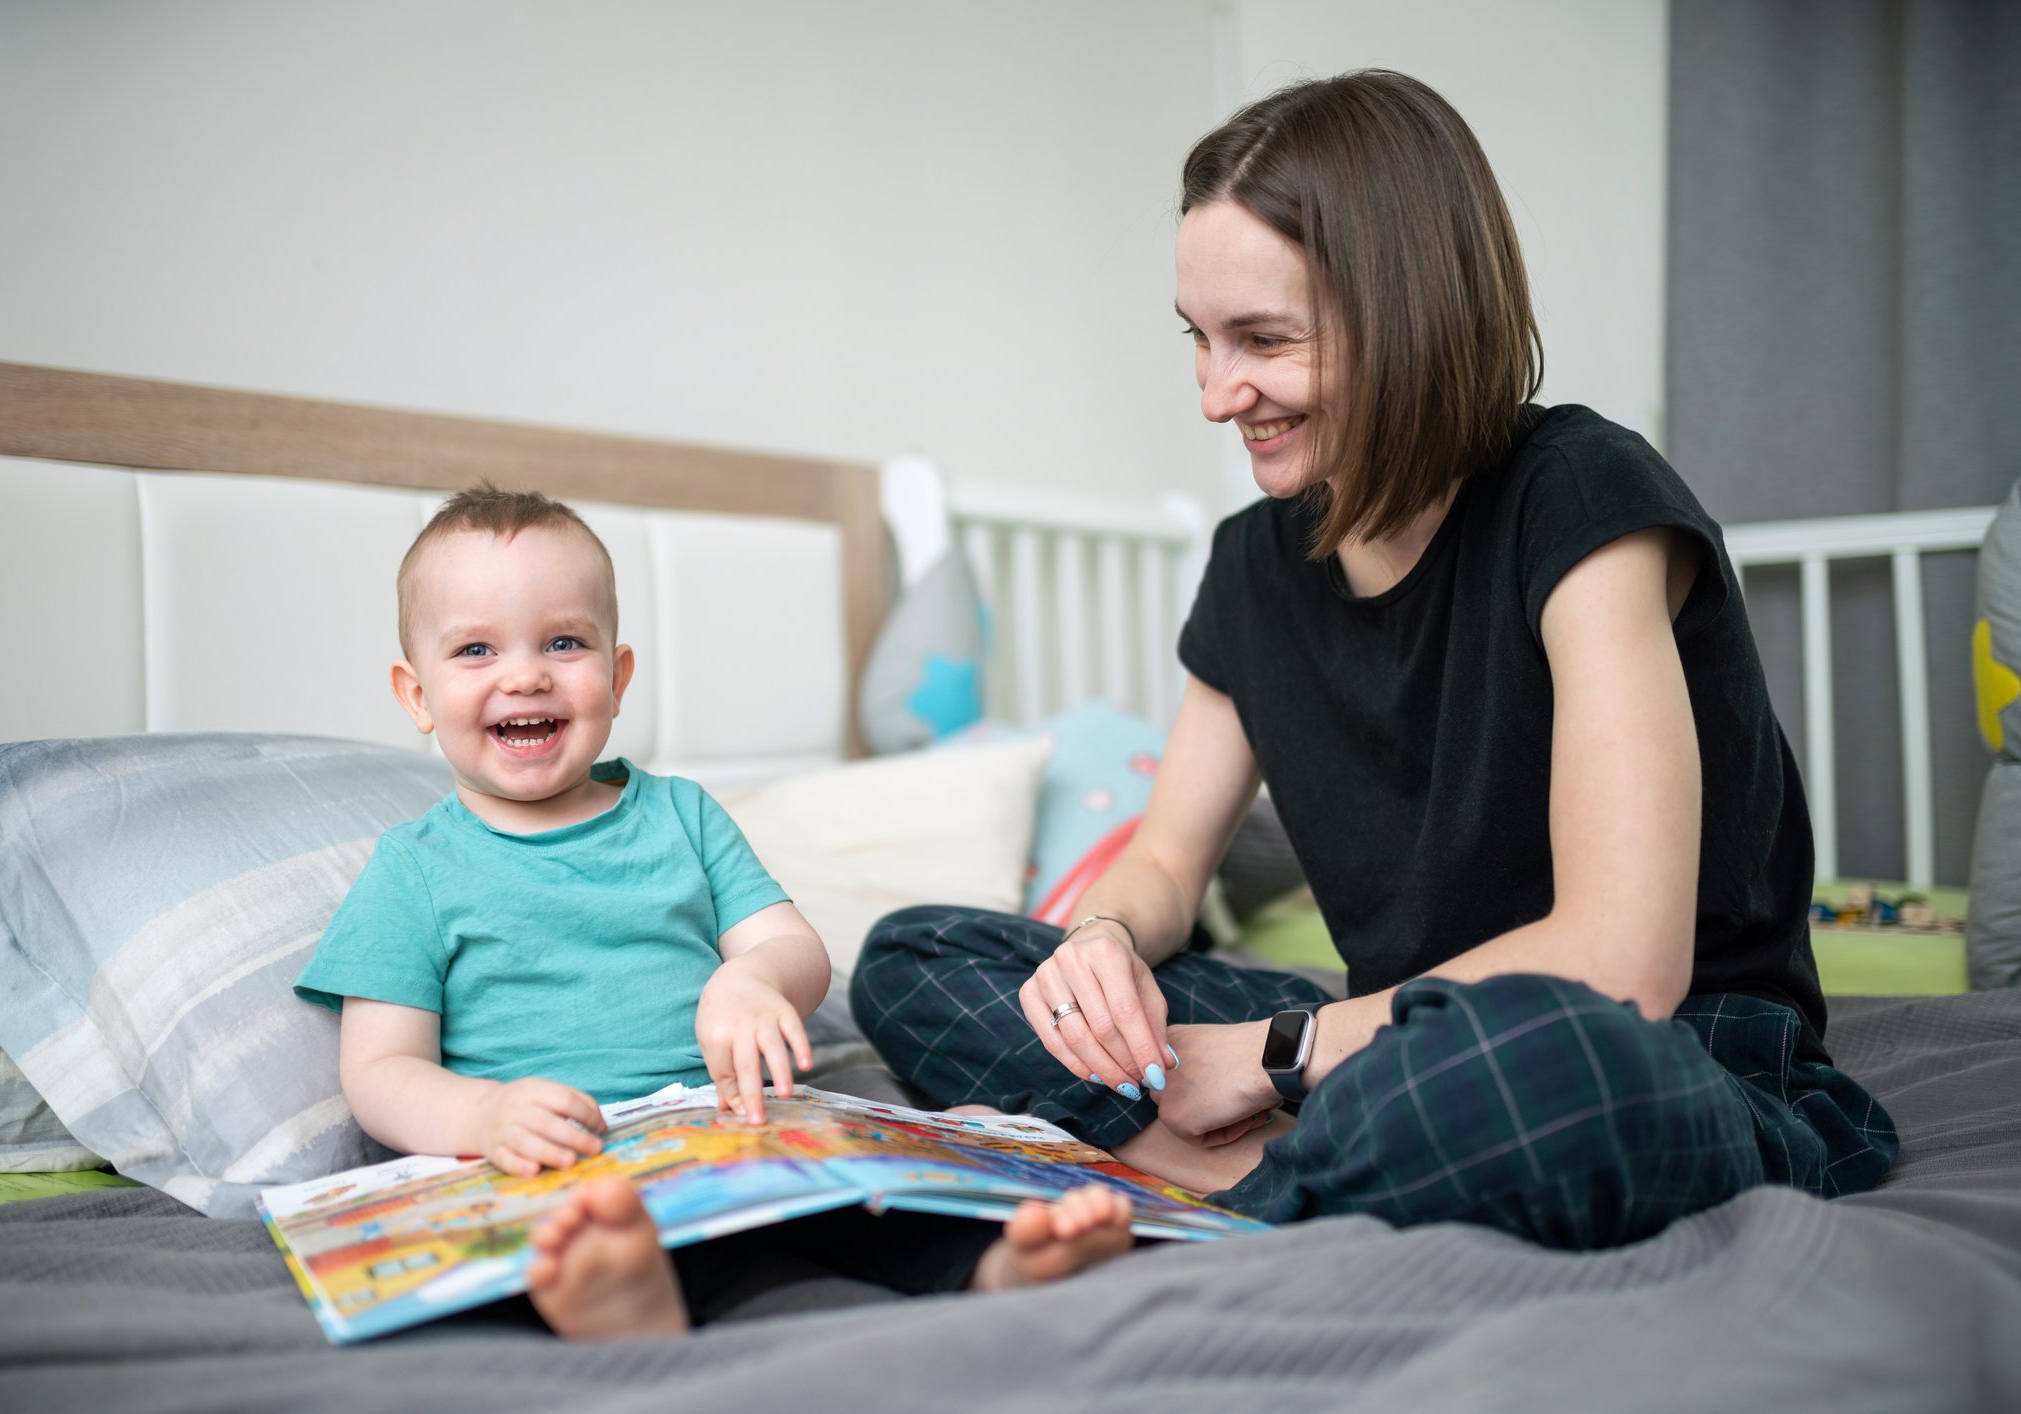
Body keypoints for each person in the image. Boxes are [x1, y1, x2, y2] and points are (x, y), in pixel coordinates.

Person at [850, 70, 1899, 1250]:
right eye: (1198, 340)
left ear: (1406, 312)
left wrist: (1271, 1058)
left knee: (1550, 1073)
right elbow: (1161, 859)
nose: (1213, 394)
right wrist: (1100, 943)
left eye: (1261, 341)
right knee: (917, 957)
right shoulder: (1252, 565)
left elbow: (1620, 966)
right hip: (1373, 1038)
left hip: (1644, 1045)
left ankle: (1209, 1194)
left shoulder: (1585, 498)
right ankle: (1291, 1172)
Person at [294, 486, 1134, 1337]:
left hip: (730, 1137)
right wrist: (482, 1118)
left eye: (563, 641)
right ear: (416, 695)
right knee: (555, 1229)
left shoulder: (680, 816)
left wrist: (752, 978)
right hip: (549, 1155)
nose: (525, 674)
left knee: (864, 1199)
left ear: (617, 677)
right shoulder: (412, 870)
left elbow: (792, 949)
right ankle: (620, 1298)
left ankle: (998, 1266)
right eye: (475, 649)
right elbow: (381, 1072)